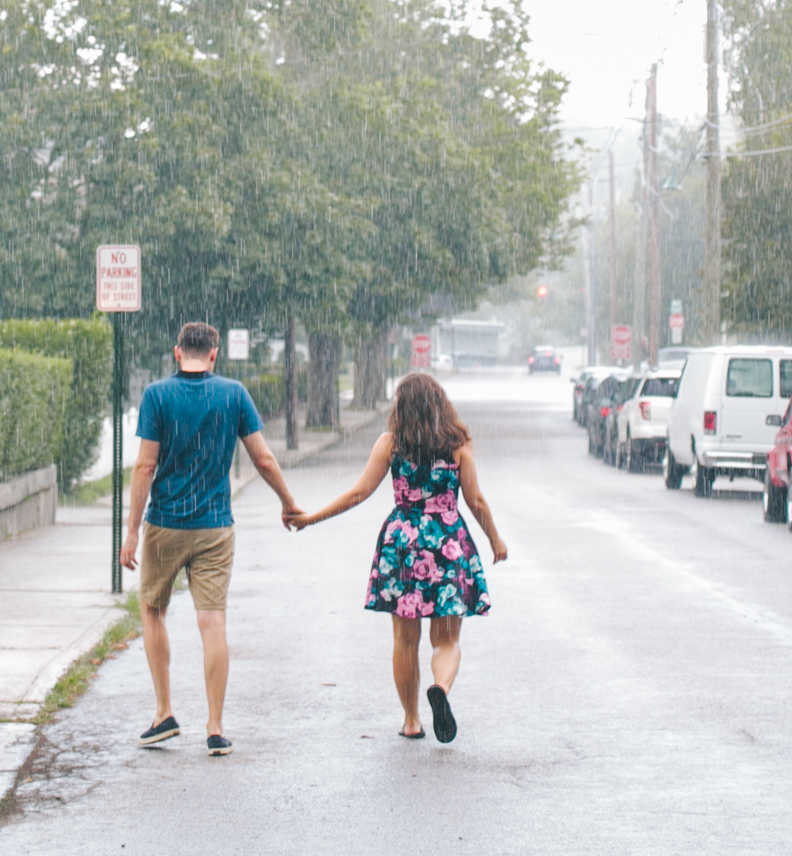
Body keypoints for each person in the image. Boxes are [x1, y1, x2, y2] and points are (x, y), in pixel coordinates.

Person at [290, 372, 506, 743]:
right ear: (440, 404)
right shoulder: (457, 447)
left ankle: (410, 720)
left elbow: (358, 493)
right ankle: (440, 687)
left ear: (400, 407)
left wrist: (311, 518)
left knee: (405, 640)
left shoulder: (390, 445)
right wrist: (495, 539)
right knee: (446, 639)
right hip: (448, 544)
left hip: (402, 545)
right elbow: (476, 501)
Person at [120, 322, 299, 756]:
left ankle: (164, 713)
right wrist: (288, 502)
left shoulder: (157, 396)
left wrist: (131, 531)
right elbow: (263, 458)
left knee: (152, 610)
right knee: (213, 620)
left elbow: (145, 467)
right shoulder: (233, 394)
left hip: (165, 523)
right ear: (214, 354)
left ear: (177, 353)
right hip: (216, 526)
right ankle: (215, 727)